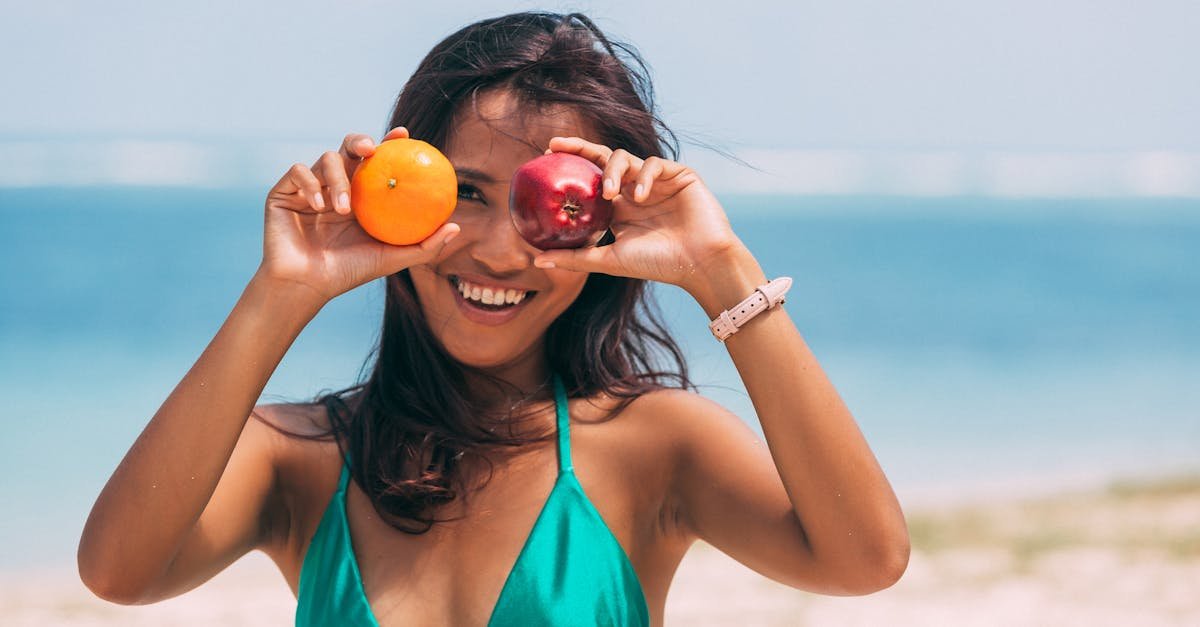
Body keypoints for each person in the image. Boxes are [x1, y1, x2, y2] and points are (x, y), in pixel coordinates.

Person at [78, 11, 908, 626]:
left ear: (604, 225)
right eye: (465, 193)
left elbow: (867, 560)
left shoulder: (655, 447)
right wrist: (281, 292)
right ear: (395, 196)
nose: (500, 253)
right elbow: (117, 572)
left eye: (544, 206)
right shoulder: (302, 459)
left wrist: (722, 270)